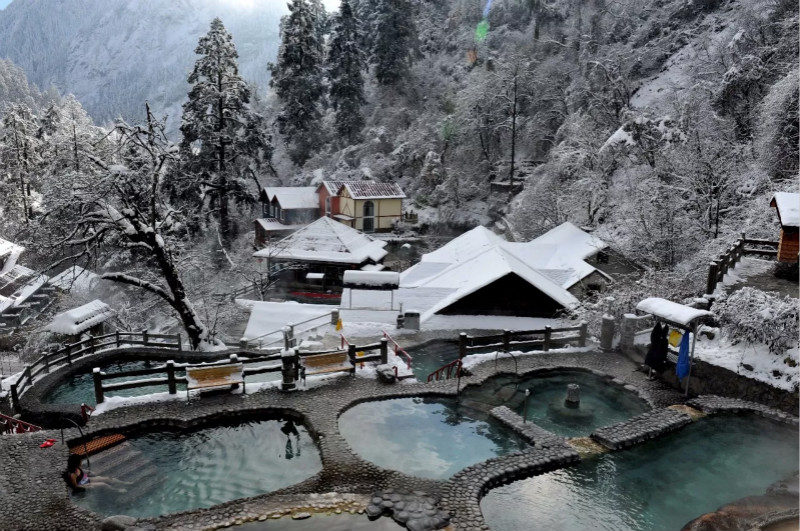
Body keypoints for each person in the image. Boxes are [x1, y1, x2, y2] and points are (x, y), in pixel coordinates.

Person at [65, 454, 129, 493]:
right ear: (76, 462)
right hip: (84, 484)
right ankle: (117, 490)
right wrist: (85, 487)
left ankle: (124, 483)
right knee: (103, 484)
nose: (81, 461)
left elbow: (83, 473)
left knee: (108, 478)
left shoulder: (77, 467)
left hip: (87, 479)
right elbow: (75, 486)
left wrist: (89, 473)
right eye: (80, 460)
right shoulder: (73, 474)